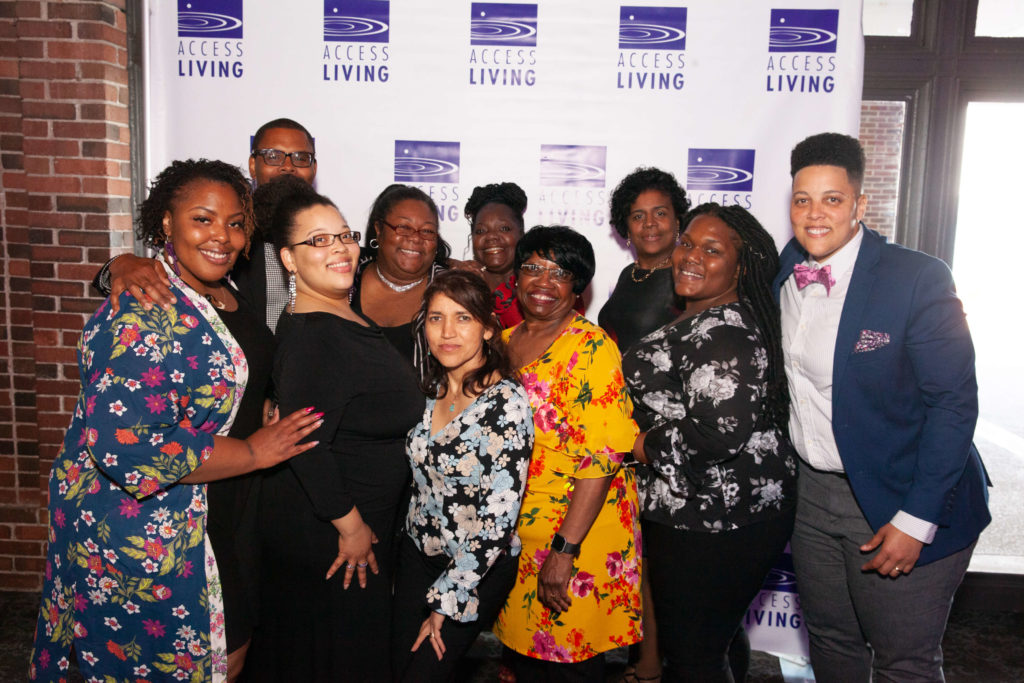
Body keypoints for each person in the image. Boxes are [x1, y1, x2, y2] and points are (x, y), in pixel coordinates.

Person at [28, 159, 323, 683]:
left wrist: (259, 408)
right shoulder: (144, 304)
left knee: (226, 657)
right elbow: (127, 443)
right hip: (158, 531)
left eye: (235, 223)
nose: (222, 236)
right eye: (202, 219)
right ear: (167, 222)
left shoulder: (226, 289)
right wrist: (255, 450)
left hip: (226, 514)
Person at [773, 132, 990, 681]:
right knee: (830, 642)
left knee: (904, 662)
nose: (815, 214)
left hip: (904, 493)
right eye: (803, 199)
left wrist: (917, 521)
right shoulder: (786, 271)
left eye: (832, 199)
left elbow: (953, 406)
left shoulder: (916, 278)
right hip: (813, 499)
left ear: (860, 205)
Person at [244, 182, 425, 682]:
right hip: (334, 539)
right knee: (335, 659)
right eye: (317, 241)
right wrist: (350, 527)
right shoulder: (316, 334)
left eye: (343, 235)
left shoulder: (338, 313)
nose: (340, 248)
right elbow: (305, 442)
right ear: (289, 259)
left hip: (354, 525)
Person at [623, 203, 798, 682]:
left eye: (712, 250)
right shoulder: (705, 317)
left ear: (740, 267)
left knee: (693, 655)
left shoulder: (724, 332)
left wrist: (641, 447)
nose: (691, 256)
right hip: (704, 506)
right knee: (715, 639)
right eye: (687, 243)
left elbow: (717, 433)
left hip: (715, 515)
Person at [492, 226, 643, 681]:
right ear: (516, 277)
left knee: (568, 668)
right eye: (533, 268)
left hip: (577, 533)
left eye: (559, 273)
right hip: (520, 534)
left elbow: (604, 455)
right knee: (525, 660)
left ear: (578, 287)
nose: (542, 281)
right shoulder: (501, 342)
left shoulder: (593, 347)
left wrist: (564, 550)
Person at [392, 270, 534, 682]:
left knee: (425, 673)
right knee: (397, 667)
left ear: (489, 329)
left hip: (477, 566)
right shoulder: (430, 386)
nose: (447, 332)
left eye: (463, 318)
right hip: (419, 554)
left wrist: (446, 600)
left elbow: (497, 522)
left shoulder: (505, 405)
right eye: (436, 318)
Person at [94, 117, 318, 330]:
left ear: (314, 169)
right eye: (273, 156)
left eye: (301, 158)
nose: (288, 166)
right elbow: (163, 274)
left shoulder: (330, 233)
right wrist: (120, 264)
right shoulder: (232, 234)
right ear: (252, 165)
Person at [351, 184, 452, 373]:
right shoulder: (345, 280)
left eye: (427, 231)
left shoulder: (453, 290)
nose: (416, 238)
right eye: (404, 227)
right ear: (379, 230)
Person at [600, 167, 688, 353]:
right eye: (638, 216)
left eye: (660, 213)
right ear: (628, 228)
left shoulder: (687, 276)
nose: (649, 223)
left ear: (677, 221)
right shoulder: (629, 272)